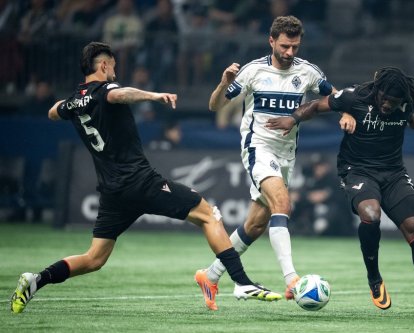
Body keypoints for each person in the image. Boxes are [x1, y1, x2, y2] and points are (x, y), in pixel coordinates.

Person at [10, 41, 281, 314]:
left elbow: (52, 112)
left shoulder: (74, 101)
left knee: (94, 258)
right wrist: (153, 96)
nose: (115, 70)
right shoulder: (107, 90)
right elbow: (119, 94)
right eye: (113, 65)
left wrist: (71, 102)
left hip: (112, 191)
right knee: (208, 214)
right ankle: (240, 281)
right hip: (139, 181)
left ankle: (36, 279)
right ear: (103, 65)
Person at [266, 67, 414, 320]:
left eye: (395, 102)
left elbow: (407, 112)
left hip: (394, 172)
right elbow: (314, 105)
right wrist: (293, 118)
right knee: (371, 213)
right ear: (378, 91)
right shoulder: (354, 97)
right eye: (385, 99)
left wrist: (412, 121)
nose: (388, 105)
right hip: (357, 171)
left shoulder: (404, 101)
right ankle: (374, 277)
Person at [194, 15, 355, 311]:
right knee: (283, 203)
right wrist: (222, 84)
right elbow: (214, 105)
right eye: (284, 46)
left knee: (255, 225)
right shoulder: (253, 71)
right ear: (271, 41)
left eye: (294, 46)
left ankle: (211, 275)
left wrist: (345, 112)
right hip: (258, 147)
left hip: (286, 154)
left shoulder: (307, 72)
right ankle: (292, 278)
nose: (289, 52)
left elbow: (335, 94)